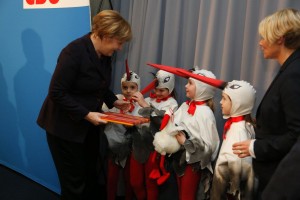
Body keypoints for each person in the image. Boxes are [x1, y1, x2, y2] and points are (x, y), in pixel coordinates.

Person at [36, 10, 132, 200]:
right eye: (119, 42)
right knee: (74, 186)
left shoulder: (105, 54)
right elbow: (56, 92)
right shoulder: (73, 52)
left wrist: (114, 101)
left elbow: (100, 86)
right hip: (64, 129)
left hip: (87, 129)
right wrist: (86, 114)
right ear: (106, 35)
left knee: (90, 178)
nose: (120, 48)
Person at [232, 8, 300, 199]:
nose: (260, 43)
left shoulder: (293, 74)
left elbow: (296, 137)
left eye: (264, 37)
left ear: (280, 38)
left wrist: (255, 147)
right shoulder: (289, 70)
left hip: (281, 181)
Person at [171, 68, 220, 200]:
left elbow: (210, 146)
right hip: (179, 159)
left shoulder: (205, 113)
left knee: (187, 197)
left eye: (190, 83)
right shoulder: (184, 106)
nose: (186, 86)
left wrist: (186, 143)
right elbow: (171, 123)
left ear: (202, 88)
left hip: (192, 165)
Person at [130, 70, 178, 200]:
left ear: (170, 88)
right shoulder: (147, 98)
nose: (157, 93)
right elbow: (134, 119)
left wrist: (145, 105)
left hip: (154, 149)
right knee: (135, 182)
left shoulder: (172, 104)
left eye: (162, 90)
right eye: (156, 89)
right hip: (138, 145)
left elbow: (162, 123)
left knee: (151, 185)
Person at [210, 80, 256, 200]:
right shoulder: (244, 125)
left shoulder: (239, 131)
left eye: (224, 99)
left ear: (237, 103)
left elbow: (234, 171)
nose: (220, 102)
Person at [102, 70, 141, 200]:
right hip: (114, 145)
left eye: (132, 87)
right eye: (125, 87)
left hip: (130, 147)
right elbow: (103, 109)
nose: (128, 90)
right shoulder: (116, 99)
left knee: (128, 178)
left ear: (138, 87)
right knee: (112, 177)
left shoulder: (140, 103)